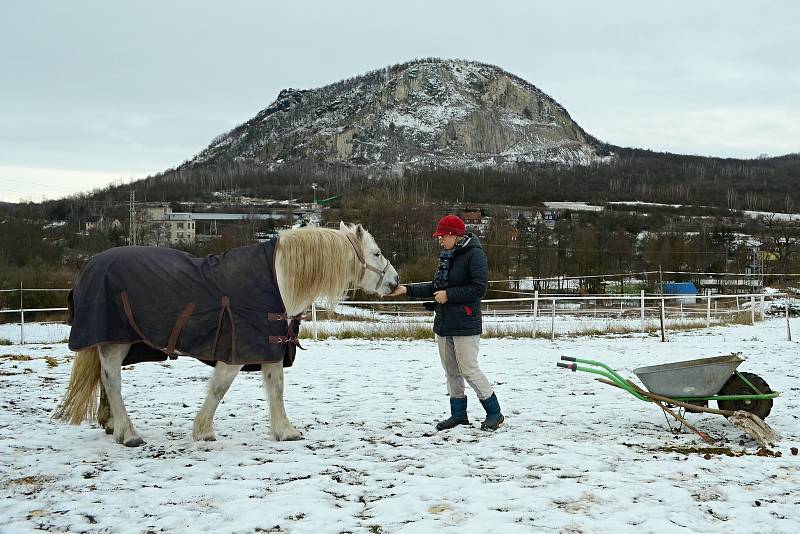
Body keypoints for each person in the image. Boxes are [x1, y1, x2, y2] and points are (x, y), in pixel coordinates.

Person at [390, 214, 504, 431]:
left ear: (454, 235)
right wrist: (407, 289)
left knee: (469, 368)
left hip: (466, 322)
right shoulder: (447, 256)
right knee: (451, 370)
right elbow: (435, 287)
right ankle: (458, 414)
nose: (440, 241)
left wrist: (449, 295)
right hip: (444, 322)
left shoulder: (475, 255)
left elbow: (479, 289)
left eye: (442, 237)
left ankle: (494, 412)